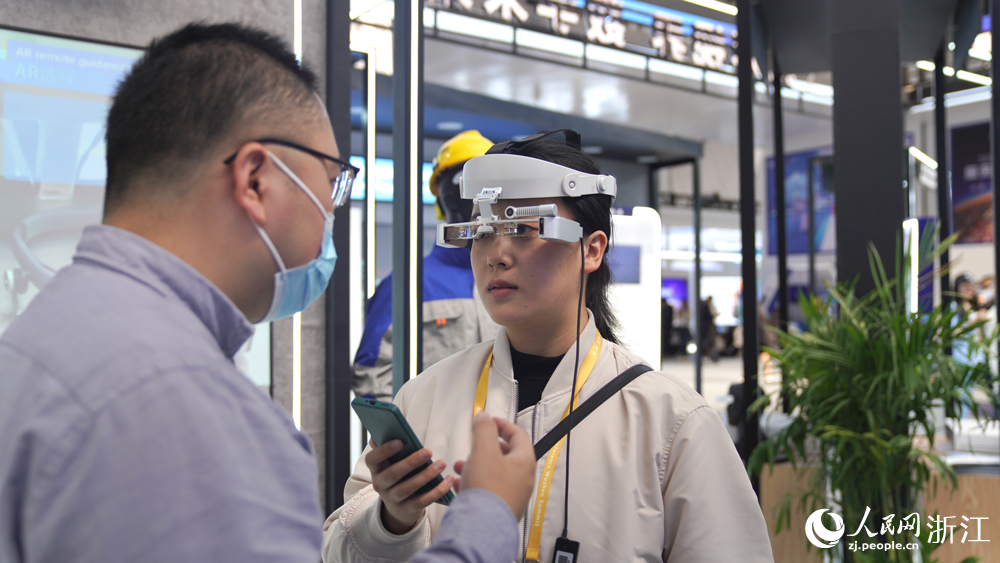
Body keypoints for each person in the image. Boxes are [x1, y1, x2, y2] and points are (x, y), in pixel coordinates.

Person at [0, 22, 534, 563]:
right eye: (331, 182)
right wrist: (488, 514)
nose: (330, 211)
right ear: (255, 180)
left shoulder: (40, 336)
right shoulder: (201, 421)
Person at [323, 130, 774, 563]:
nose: (496, 254)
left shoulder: (670, 421)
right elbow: (337, 549)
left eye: (524, 228)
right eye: (482, 231)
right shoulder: (425, 397)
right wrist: (392, 521)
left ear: (592, 250)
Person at [354, 130, 498, 401]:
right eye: (462, 185)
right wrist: (411, 427)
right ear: (441, 197)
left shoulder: (514, 278)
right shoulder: (408, 285)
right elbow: (372, 378)